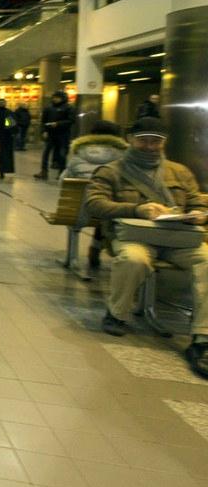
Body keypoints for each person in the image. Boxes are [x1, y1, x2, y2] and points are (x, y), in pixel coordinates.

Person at [83, 117, 208, 377]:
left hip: (177, 239)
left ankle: (202, 337)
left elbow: (198, 201)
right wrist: (137, 209)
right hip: (134, 236)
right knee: (133, 259)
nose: (150, 146)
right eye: (144, 140)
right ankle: (117, 313)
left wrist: (198, 213)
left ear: (164, 143)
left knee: (206, 261)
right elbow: (95, 204)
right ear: (131, 140)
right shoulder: (111, 171)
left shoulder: (180, 172)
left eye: (156, 141)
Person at [59, 120, 127, 269]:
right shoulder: (126, 156)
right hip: (113, 212)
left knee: (97, 203)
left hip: (80, 211)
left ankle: (78, 255)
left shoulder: (78, 152)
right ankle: (96, 247)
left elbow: (64, 180)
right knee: (107, 203)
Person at [34, 90, 75, 180]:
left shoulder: (68, 108)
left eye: (57, 98)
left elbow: (71, 120)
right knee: (46, 153)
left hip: (63, 134)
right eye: (54, 97)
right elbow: (44, 121)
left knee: (62, 154)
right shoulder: (49, 108)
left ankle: (61, 172)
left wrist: (58, 124)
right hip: (51, 134)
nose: (55, 99)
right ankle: (44, 171)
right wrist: (44, 131)